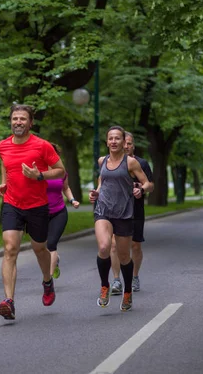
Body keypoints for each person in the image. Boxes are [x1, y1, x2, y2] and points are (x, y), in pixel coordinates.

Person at [0, 104, 66, 320]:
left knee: (39, 248)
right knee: (10, 248)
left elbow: (61, 171)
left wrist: (40, 175)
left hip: (37, 205)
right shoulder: (3, 146)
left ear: (30, 122)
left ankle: (47, 281)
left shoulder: (42, 146)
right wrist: (4, 184)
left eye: (22, 119)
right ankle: (9, 301)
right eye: (15, 118)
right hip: (12, 203)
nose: (18, 122)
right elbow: (5, 165)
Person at [89, 126, 152, 312]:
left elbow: (147, 182)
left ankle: (127, 292)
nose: (114, 142)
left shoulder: (131, 163)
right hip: (103, 210)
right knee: (104, 247)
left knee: (124, 256)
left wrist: (141, 189)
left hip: (124, 213)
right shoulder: (102, 161)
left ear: (124, 142)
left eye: (118, 138)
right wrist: (96, 193)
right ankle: (104, 286)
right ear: (107, 141)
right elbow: (102, 182)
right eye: (111, 138)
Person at [110, 132, 155, 294]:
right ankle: (116, 280)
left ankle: (135, 277)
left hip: (135, 209)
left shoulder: (141, 163)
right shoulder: (111, 162)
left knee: (135, 245)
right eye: (125, 143)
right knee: (114, 245)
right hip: (115, 210)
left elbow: (151, 185)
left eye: (129, 143)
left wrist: (142, 189)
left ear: (133, 145)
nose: (126, 146)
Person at [46, 144, 80, 279]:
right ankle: (56, 259)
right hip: (40, 213)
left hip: (59, 212)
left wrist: (72, 200)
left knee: (51, 244)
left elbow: (66, 188)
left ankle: (48, 280)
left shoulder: (62, 172)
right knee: (41, 246)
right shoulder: (37, 172)